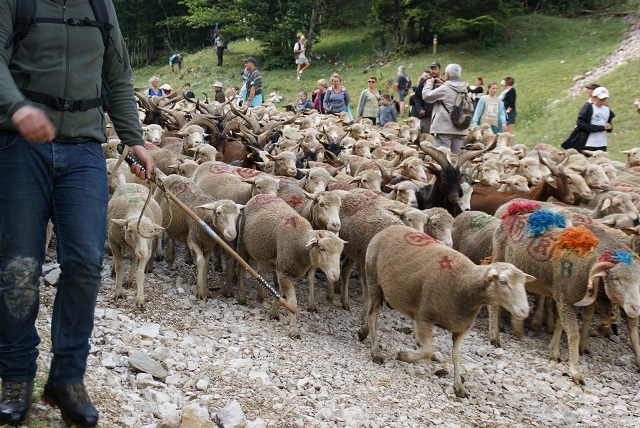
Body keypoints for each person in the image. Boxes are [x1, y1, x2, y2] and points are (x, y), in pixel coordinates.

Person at [0, 0, 154, 426]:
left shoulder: (100, 6)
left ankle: (66, 378)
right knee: (18, 266)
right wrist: (17, 107)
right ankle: (15, 376)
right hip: (19, 147)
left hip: (85, 151)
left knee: (86, 262)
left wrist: (132, 136)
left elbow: (117, 76)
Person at [422, 63, 469, 154]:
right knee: (457, 158)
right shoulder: (463, 88)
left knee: (443, 158)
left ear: (447, 75)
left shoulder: (445, 88)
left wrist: (429, 84)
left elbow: (426, 96)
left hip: (444, 128)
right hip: (460, 127)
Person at [564, 87, 615, 154]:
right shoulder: (588, 108)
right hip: (588, 143)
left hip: (602, 144)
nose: (602, 102)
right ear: (594, 98)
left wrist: (609, 127)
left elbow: (609, 125)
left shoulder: (607, 110)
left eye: (604, 99)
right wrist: (600, 128)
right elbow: (580, 123)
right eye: (600, 99)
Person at [421, 61, 443, 134]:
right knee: (426, 138)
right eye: (431, 69)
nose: (433, 71)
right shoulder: (424, 82)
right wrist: (420, 109)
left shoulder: (444, 83)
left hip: (440, 116)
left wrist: (442, 86)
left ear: (439, 69)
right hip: (427, 115)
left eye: (435, 69)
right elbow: (417, 97)